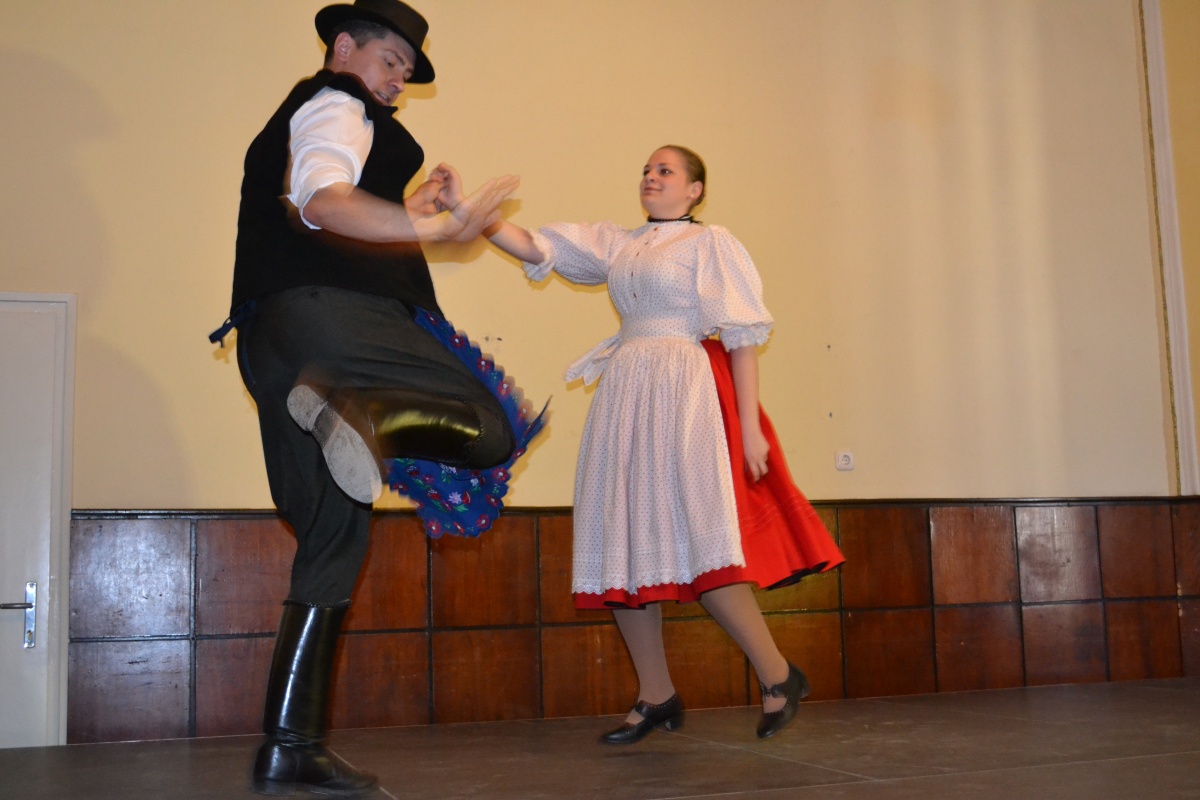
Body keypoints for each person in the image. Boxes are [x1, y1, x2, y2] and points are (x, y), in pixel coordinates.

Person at [212, 1, 540, 795]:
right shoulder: (336, 101)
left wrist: (414, 208)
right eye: (391, 60)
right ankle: (359, 414)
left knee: (333, 534)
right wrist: (440, 231)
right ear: (343, 46)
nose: (398, 81)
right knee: (493, 427)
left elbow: (336, 198)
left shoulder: (326, 117)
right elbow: (323, 201)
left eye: (406, 71)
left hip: (276, 343)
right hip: (334, 322)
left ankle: (292, 750)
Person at [482, 145, 845, 742]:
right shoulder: (619, 244)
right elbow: (537, 246)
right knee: (620, 539)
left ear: (695, 190)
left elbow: (742, 339)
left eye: (665, 171)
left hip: (685, 390)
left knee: (701, 538)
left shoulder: (710, 243)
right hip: (627, 390)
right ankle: (656, 695)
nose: (651, 177)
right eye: (647, 170)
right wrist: (478, 217)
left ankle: (778, 675)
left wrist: (750, 427)